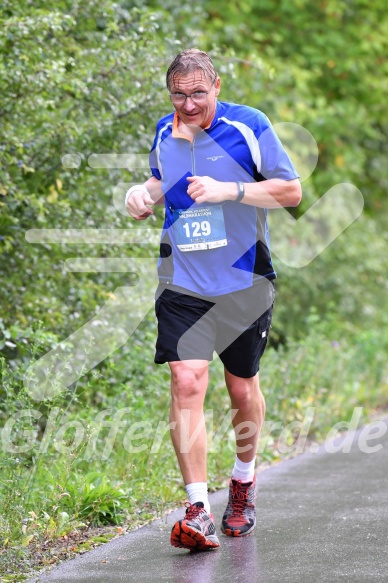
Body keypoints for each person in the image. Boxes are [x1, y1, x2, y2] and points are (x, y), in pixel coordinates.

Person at [125, 48, 301, 551]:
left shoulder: (249, 126)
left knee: (242, 388)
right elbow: (164, 181)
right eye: (178, 94)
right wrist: (141, 194)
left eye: (198, 92)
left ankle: (243, 482)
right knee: (186, 379)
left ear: (217, 87)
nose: (188, 103)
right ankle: (198, 508)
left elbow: (290, 192)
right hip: (183, 281)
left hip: (244, 280)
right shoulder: (165, 130)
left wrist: (230, 191)